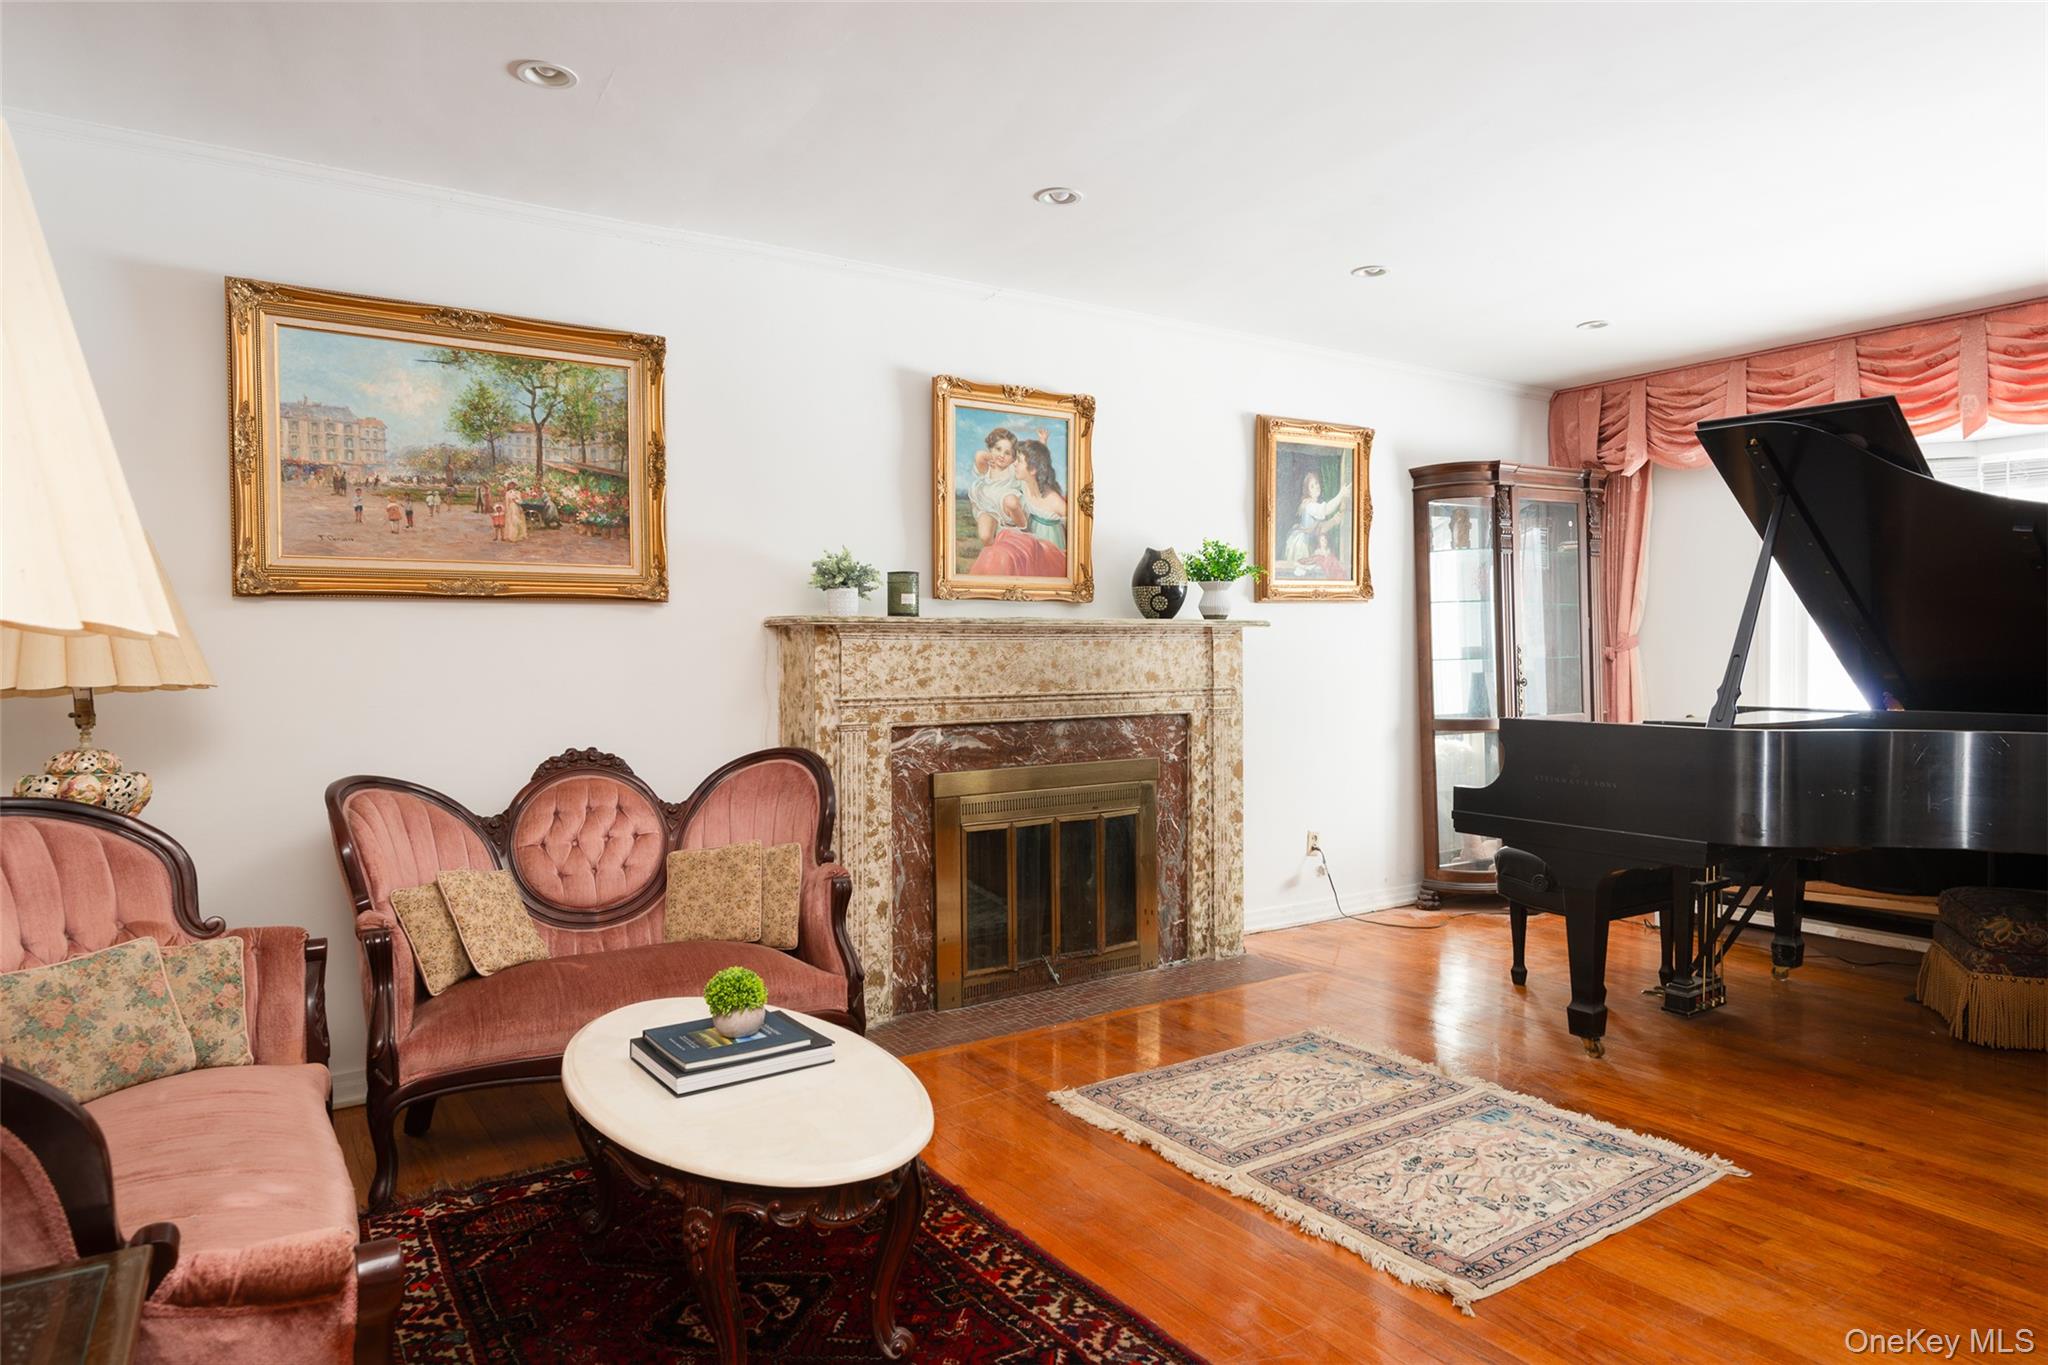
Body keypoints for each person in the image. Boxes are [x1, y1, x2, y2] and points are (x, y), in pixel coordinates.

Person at [1282, 470, 1351, 578]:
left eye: (1317, 483)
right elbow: (1326, 509)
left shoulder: (1313, 505)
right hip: (1303, 544)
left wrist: (1334, 521)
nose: (1316, 487)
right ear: (1308, 491)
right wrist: (1341, 494)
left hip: (1309, 542)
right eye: (1312, 486)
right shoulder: (1310, 506)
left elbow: (1320, 528)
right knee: (1302, 573)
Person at [967, 427, 1023, 546]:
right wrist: (991, 457)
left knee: (1012, 502)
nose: (1002, 455)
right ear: (991, 449)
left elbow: (1032, 462)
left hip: (1006, 509)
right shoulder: (987, 468)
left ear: (1013, 458)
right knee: (985, 536)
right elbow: (979, 455)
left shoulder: (1012, 469)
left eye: (1007, 453)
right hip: (987, 506)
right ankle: (994, 555)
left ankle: (1024, 530)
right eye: (998, 449)